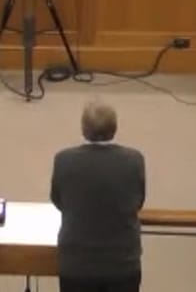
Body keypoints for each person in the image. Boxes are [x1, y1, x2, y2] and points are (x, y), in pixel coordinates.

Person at [50, 101, 146, 292]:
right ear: (115, 128)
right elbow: (138, 201)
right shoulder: (134, 160)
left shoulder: (64, 160)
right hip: (122, 263)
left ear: (83, 128)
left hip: (77, 264)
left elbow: (58, 200)